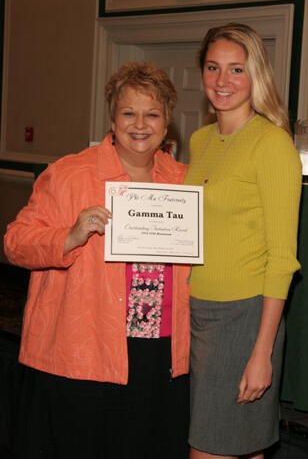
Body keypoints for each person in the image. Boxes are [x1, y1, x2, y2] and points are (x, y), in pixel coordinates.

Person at [4, 62, 191, 459]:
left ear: (167, 122)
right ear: (112, 117)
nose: (140, 124)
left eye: (152, 114)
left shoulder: (184, 180)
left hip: (159, 354)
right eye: (128, 113)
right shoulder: (70, 174)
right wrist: (69, 236)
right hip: (83, 350)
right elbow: (15, 243)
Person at [184, 23, 302, 459]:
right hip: (197, 310)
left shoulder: (272, 145)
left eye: (237, 69)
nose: (222, 80)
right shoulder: (200, 140)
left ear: (257, 76)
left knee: (209, 448)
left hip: (245, 316)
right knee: (242, 446)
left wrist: (262, 351)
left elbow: (283, 258)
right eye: (213, 68)